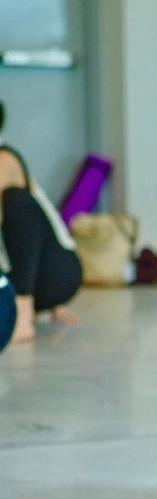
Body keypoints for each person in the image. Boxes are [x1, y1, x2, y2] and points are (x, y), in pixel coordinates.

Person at [0, 100, 82, 343]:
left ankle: (23, 311)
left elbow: (22, 228)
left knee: (16, 200)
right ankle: (34, 305)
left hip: (54, 271)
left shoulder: (4, 160)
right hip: (14, 276)